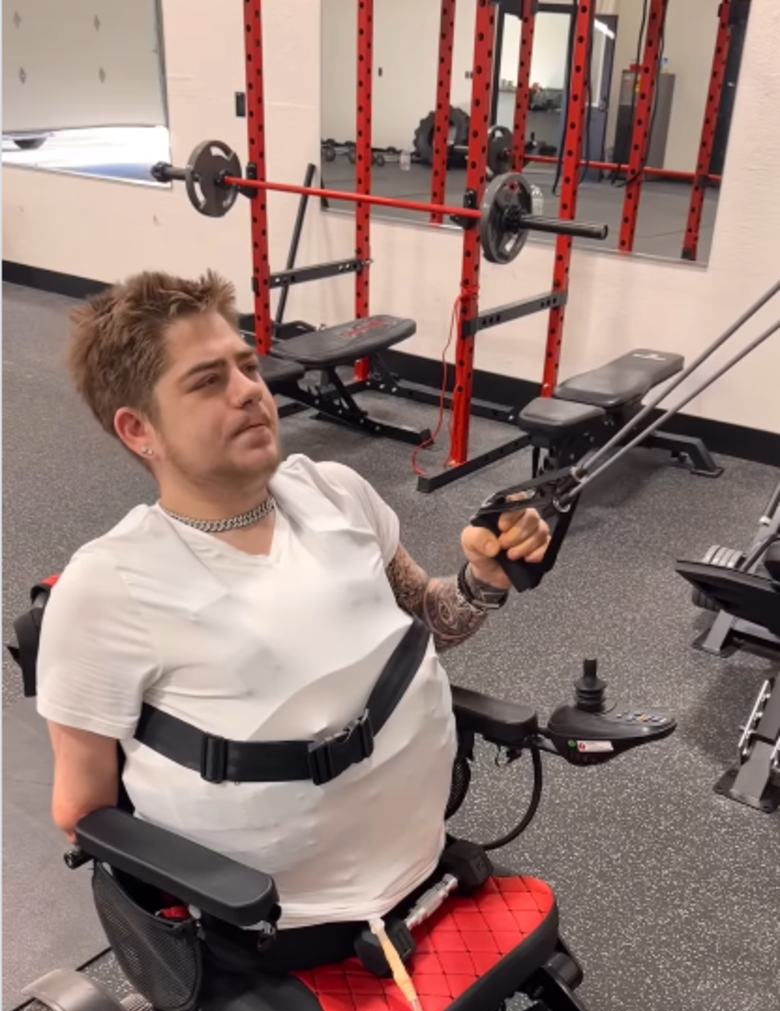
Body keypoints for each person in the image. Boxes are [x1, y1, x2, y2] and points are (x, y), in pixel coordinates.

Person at [36, 269, 550, 968]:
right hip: (282, 922)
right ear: (139, 429)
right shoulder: (106, 590)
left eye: (246, 365)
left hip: (425, 857)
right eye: (207, 381)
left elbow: (433, 621)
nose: (249, 390)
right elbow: (85, 813)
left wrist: (487, 577)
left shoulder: (334, 491)